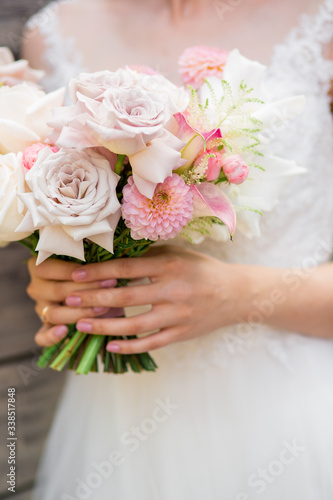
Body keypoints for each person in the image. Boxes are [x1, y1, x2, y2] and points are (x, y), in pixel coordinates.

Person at [22, 0, 333, 498]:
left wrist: (242, 295)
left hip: (292, 401)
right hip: (122, 414)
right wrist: (58, 274)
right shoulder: (54, 32)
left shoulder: (322, 23)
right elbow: (51, 200)